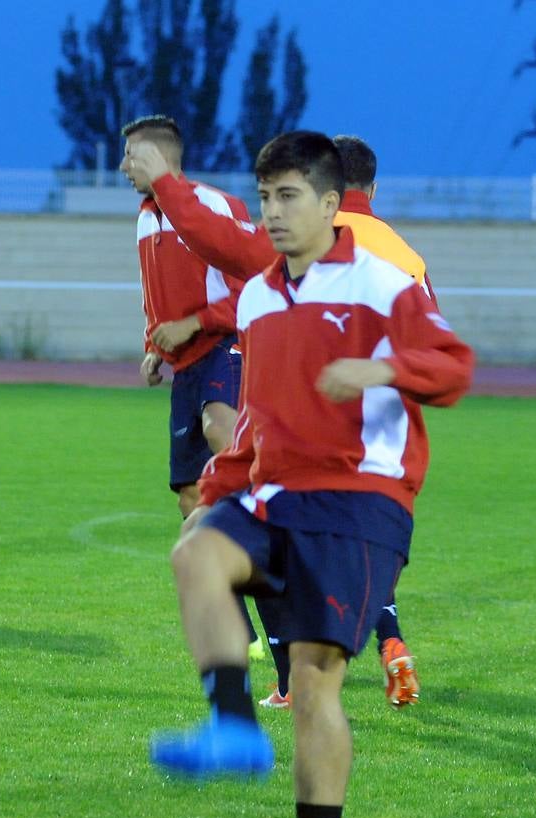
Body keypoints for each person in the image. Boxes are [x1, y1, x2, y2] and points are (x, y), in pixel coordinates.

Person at [148, 131, 473, 818]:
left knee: (313, 679)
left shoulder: (378, 282)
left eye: (288, 196)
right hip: (277, 492)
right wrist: (222, 484)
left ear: (331, 204)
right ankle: (230, 725)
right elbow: (258, 413)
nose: (271, 212)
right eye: (263, 197)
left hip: (361, 502)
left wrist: (382, 366)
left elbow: (453, 365)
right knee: (195, 549)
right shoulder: (259, 295)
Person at [126, 134, 431, 710]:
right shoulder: (404, 256)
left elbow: (224, 246)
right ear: (373, 187)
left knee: (268, 574)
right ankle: (375, 645)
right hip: (380, 470)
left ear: (326, 192)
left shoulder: (310, 251)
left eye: (285, 193)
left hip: (313, 457)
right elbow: (437, 363)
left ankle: (267, 692)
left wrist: (167, 182)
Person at [118, 114, 264, 658]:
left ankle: (281, 514)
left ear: (159, 157)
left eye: (130, 156)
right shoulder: (144, 218)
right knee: (189, 495)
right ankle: (239, 621)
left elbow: (255, 285)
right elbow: (156, 291)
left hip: (227, 342)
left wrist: (195, 324)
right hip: (184, 363)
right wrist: (155, 343)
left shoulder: (217, 206)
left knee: (220, 428)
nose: (122, 167)